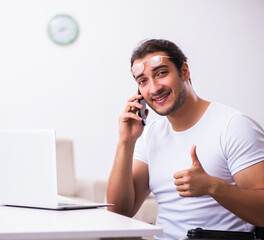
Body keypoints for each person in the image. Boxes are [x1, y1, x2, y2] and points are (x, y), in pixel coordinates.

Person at [106, 39, 264, 239]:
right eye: (143, 81)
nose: (154, 88)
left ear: (185, 71)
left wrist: (212, 187)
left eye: (161, 73)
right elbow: (119, 213)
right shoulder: (151, 135)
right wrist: (126, 142)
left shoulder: (233, 125)